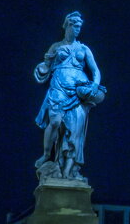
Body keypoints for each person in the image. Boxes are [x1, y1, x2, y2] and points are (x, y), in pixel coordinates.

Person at [33, 11, 106, 181]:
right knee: (55, 121)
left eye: (80, 26)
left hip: (78, 90)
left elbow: (95, 71)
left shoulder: (84, 49)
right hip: (58, 87)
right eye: (74, 26)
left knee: (75, 131)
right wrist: (42, 68)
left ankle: (68, 171)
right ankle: (46, 154)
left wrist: (95, 86)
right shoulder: (56, 47)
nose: (77, 29)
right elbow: (46, 66)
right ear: (67, 26)